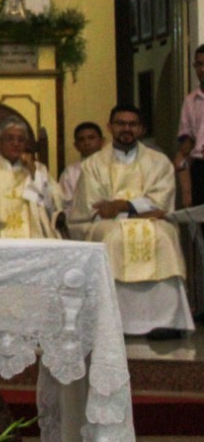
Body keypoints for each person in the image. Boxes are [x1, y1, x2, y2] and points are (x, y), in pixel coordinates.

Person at [68, 105, 195, 337]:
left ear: (141, 129)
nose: (126, 129)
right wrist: (136, 210)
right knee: (112, 237)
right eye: (120, 123)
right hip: (110, 224)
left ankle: (166, 321)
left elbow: (161, 203)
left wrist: (122, 206)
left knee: (165, 235)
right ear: (110, 127)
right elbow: (94, 208)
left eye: (132, 124)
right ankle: (111, 321)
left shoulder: (159, 162)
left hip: (149, 221)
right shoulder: (93, 165)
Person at [175, 43, 204, 207]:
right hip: (200, 167)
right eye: (199, 64)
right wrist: (187, 191)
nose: (203, 69)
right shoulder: (190, 101)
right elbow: (186, 145)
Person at [59, 121, 104, 213]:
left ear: (101, 141)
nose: (86, 143)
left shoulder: (114, 167)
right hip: (80, 222)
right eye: (81, 139)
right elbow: (64, 204)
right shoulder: (70, 172)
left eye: (91, 138)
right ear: (76, 145)